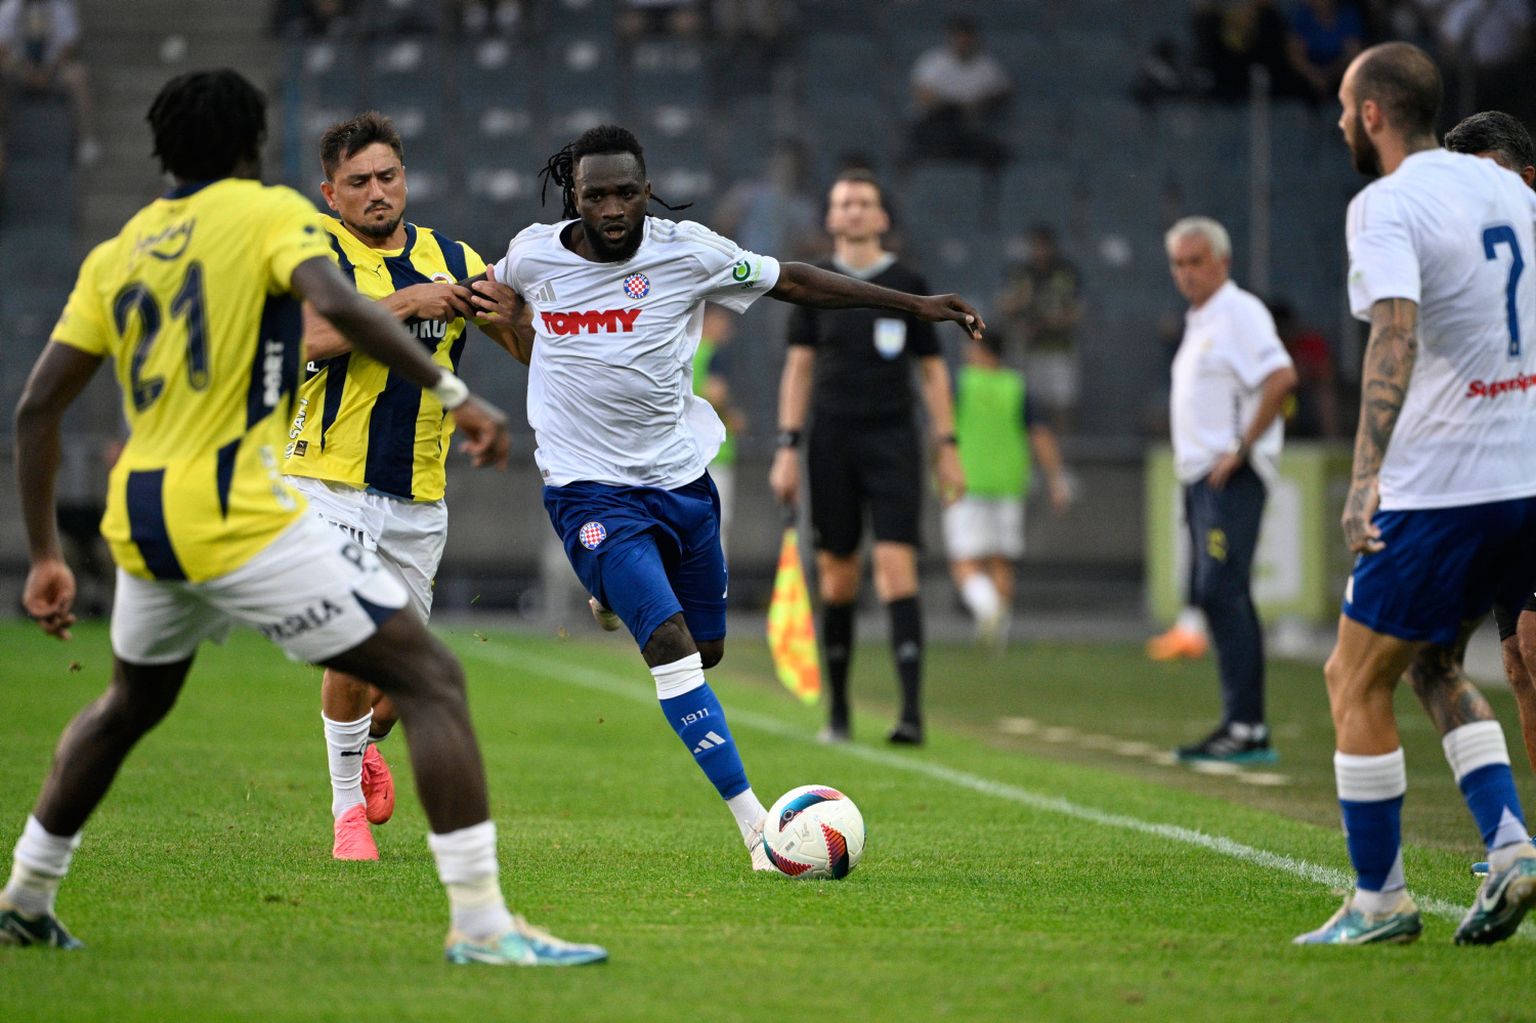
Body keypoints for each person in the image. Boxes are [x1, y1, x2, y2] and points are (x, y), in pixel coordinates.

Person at [0, 69, 604, 967]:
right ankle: (483, 924)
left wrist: (47, 554)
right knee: (434, 679)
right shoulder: (270, 218)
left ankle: (25, 894)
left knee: (131, 701)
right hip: (244, 504)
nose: (377, 191)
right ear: (254, 147)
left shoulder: (116, 254)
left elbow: (36, 408)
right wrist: (456, 392)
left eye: (388, 175)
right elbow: (343, 312)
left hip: (146, 513)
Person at [492, 126, 983, 864]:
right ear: (575, 195)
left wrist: (913, 304)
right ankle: (758, 829)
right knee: (670, 644)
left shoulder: (688, 251)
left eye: (626, 193)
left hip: (680, 480)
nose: (613, 208)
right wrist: (508, 340)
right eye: (596, 195)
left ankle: (612, 598)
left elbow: (798, 281)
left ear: (647, 189)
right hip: (587, 489)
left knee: (707, 649)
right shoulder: (532, 255)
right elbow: (485, 300)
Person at [1295, 42, 1536, 947]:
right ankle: (1510, 848)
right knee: (1434, 663)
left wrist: (1364, 480)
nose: (1339, 122)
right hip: (1524, 478)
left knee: (1352, 676)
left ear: (1372, 114)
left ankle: (1380, 899)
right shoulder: (1509, 190)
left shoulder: (1387, 203)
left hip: (1443, 487)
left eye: (1343, 107)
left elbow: (1393, 337)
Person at [283, 111, 528, 862]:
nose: (377, 191)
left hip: (419, 496)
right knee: (354, 644)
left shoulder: (452, 258)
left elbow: (524, 350)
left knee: (396, 683)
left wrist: (520, 317)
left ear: (405, 179)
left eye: (387, 176)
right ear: (331, 194)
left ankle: (363, 746)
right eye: (358, 182)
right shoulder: (314, 252)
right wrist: (404, 304)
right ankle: (345, 815)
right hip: (327, 481)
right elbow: (305, 338)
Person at [769, 168, 968, 747]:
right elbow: (799, 369)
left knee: (895, 568)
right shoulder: (814, 284)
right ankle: (838, 714)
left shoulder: (908, 284)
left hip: (894, 441)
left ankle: (911, 715)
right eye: (844, 203)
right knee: (837, 577)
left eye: (863, 203)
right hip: (832, 441)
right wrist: (787, 448)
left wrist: (947, 446)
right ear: (831, 217)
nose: (853, 211)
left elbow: (933, 373)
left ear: (882, 217)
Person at [1432, 108, 1536, 878]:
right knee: (1516, 663)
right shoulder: (1477, 265)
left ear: (1527, 179)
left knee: (1533, 646)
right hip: (1504, 476)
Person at [1164, 215, 1297, 765]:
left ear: (1224, 261)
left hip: (1230, 478)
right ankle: (1241, 725)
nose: (1186, 273)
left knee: (1223, 590)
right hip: (1204, 477)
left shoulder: (1239, 312)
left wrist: (1241, 448)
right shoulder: (1203, 319)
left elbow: (1281, 377)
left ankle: (1247, 727)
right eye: (1178, 264)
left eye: (1196, 261)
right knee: (1217, 591)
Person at [944, 330, 1070, 648]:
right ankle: (997, 636)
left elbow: (940, 431)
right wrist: (1056, 480)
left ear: (980, 350)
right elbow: (1040, 435)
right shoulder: (1017, 386)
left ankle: (988, 609)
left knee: (964, 560)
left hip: (966, 483)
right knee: (1000, 560)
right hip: (1009, 484)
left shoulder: (960, 384)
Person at [996, 224, 1082, 435]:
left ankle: (1061, 446)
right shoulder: (1021, 273)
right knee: (1027, 403)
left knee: (1061, 403)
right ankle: (1030, 447)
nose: (1039, 252)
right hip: (1026, 348)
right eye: (1036, 246)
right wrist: (1021, 301)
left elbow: (1077, 312)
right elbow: (1004, 305)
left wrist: (1049, 322)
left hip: (1058, 348)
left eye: (1043, 246)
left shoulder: (1065, 273)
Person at [904, 15, 1011, 171]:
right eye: (959, 37)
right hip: (935, 123)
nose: (963, 42)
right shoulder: (933, 61)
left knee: (993, 149)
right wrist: (954, 106)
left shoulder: (987, 65)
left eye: (967, 37)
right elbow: (923, 95)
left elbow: (1002, 92)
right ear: (951, 38)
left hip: (972, 123)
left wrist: (979, 104)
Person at [0, 0, 99, 168]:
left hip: (53, 69)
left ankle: (86, 140)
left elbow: (69, 46)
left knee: (78, 75)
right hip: (20, 70)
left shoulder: (62, 8)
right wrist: (25, 70)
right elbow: (3, 49)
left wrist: (48, 71)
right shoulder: (9, 8)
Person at [694, 304, 744, 553]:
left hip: (684, 451)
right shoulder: (713, 354)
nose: (728, 328)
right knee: (717, 523)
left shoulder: (685, 351)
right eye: (722, 321)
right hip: (714, 452)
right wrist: (734, 419)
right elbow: (715, 393)